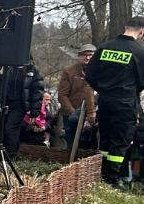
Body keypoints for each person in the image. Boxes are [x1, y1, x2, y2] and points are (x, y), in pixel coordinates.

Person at [84, 16, 144, 189]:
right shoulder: (139, 52)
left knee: (106, 138)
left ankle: (101, 173)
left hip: (105, 100)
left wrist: (104, 89)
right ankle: (111, 178)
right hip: (125, 102)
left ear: (125, 26)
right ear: (141, 30)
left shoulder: (104, 48)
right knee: (121, 140)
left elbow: (90, 76)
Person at [0, 62, 43, 156]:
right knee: (0, 131)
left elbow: (37, 91)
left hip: (19, 106)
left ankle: (10, 156)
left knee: (10, 130)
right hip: (1, 103)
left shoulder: (31, 69)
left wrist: (34, 112)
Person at [57, 45, 97, 150]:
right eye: (84, 55)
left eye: (91, 55)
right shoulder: (69, 71)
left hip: (91, 114)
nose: (87, 58)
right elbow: (62, 95)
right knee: (71, 145)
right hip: (71, 113)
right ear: (78, 56)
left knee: (91, 146)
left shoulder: (100, 71)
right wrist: (72, 112)